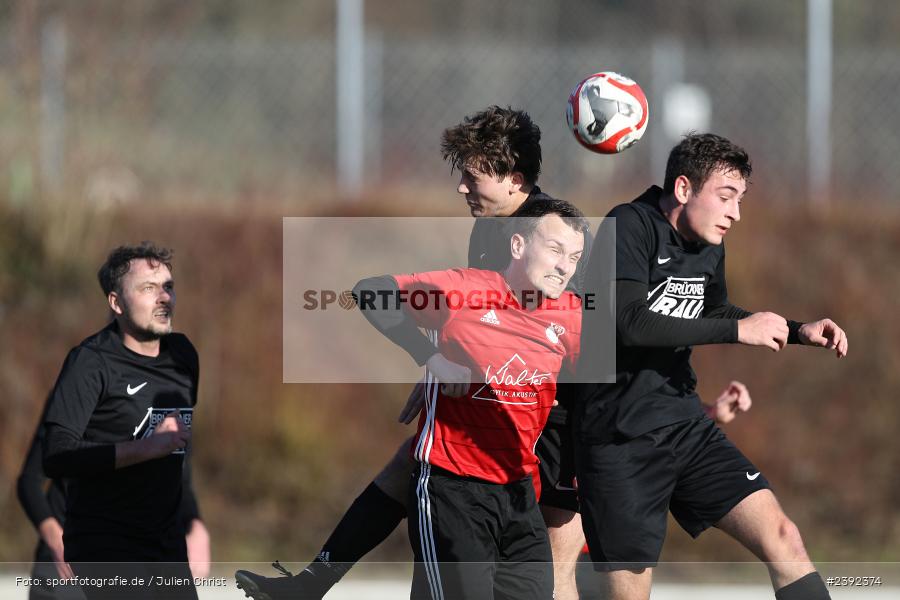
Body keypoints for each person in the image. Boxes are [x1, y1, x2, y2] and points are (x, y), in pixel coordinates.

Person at [235, 107, 753, 600]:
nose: (462, 186)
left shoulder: (556, 237)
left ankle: (314, 582)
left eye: (472, 176)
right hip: (511, 400)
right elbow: (481, 317)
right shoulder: (491, 229)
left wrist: (692, 412)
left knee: (552, 565)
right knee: (417, 472)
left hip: (569, 418)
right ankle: (313, 581)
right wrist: (437, 359)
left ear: (512, 179)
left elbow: (605, 334)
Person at [574, 133, 848, 600]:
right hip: (620, 438)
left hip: (685, 426)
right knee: (628, 594)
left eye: (740, 199)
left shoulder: (709, 245)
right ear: (683, 190)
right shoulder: (629, 224)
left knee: (784, 538)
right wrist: (739, 332)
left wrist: (797, 330)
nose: (735, 213)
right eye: (725, 197)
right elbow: (629, 322)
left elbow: (715, 313)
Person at [40, 242, 201, 600]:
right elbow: (56, 455)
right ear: (116, 303)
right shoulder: (90, 362)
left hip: (167, 546)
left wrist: (195, 521)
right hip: (106, 546)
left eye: (169, 287)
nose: (164, 298)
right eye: (148, 288)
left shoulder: (184, 355)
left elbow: (177, 456)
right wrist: (144, 448)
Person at [17, 398, 210, 600]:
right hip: (66, 568)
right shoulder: (78, 388)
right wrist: (57, 540)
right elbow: (29, 482)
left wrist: (196, 524)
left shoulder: (171, 397)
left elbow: (178, 482)